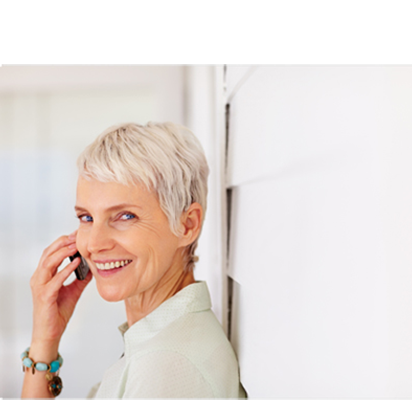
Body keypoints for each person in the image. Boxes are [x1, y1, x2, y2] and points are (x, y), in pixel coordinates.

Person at [21, 122, 245, 398]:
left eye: (125, 216)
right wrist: (45, 339)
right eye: (86, 217)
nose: (94, 244)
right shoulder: (156, 341)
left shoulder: (165, 365)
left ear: (187, 225)